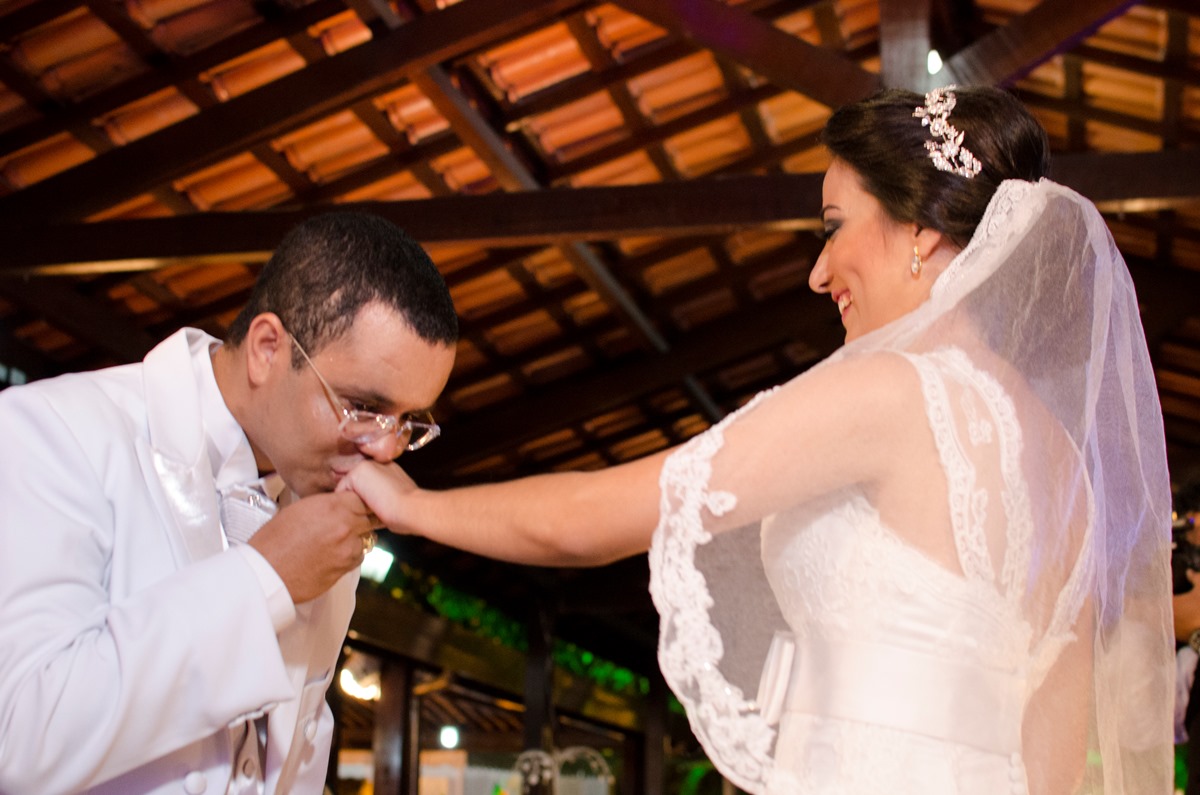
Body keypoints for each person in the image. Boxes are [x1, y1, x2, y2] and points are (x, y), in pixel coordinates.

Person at [339, 86, 1174, 794]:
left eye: (834, 225)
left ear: (920, 230)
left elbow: (594, 517)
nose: (819, 272)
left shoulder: (891, 389)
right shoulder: (1065, 464)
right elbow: (1059, 747)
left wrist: (416, 508)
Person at [0, 212, 458, 794]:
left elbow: (296, 753)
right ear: (267, 348)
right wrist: (264, 579)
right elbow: (17, 735)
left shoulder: (318, 499)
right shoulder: (52, 433)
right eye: (363, 407)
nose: (385, 448)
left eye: (407, 422)